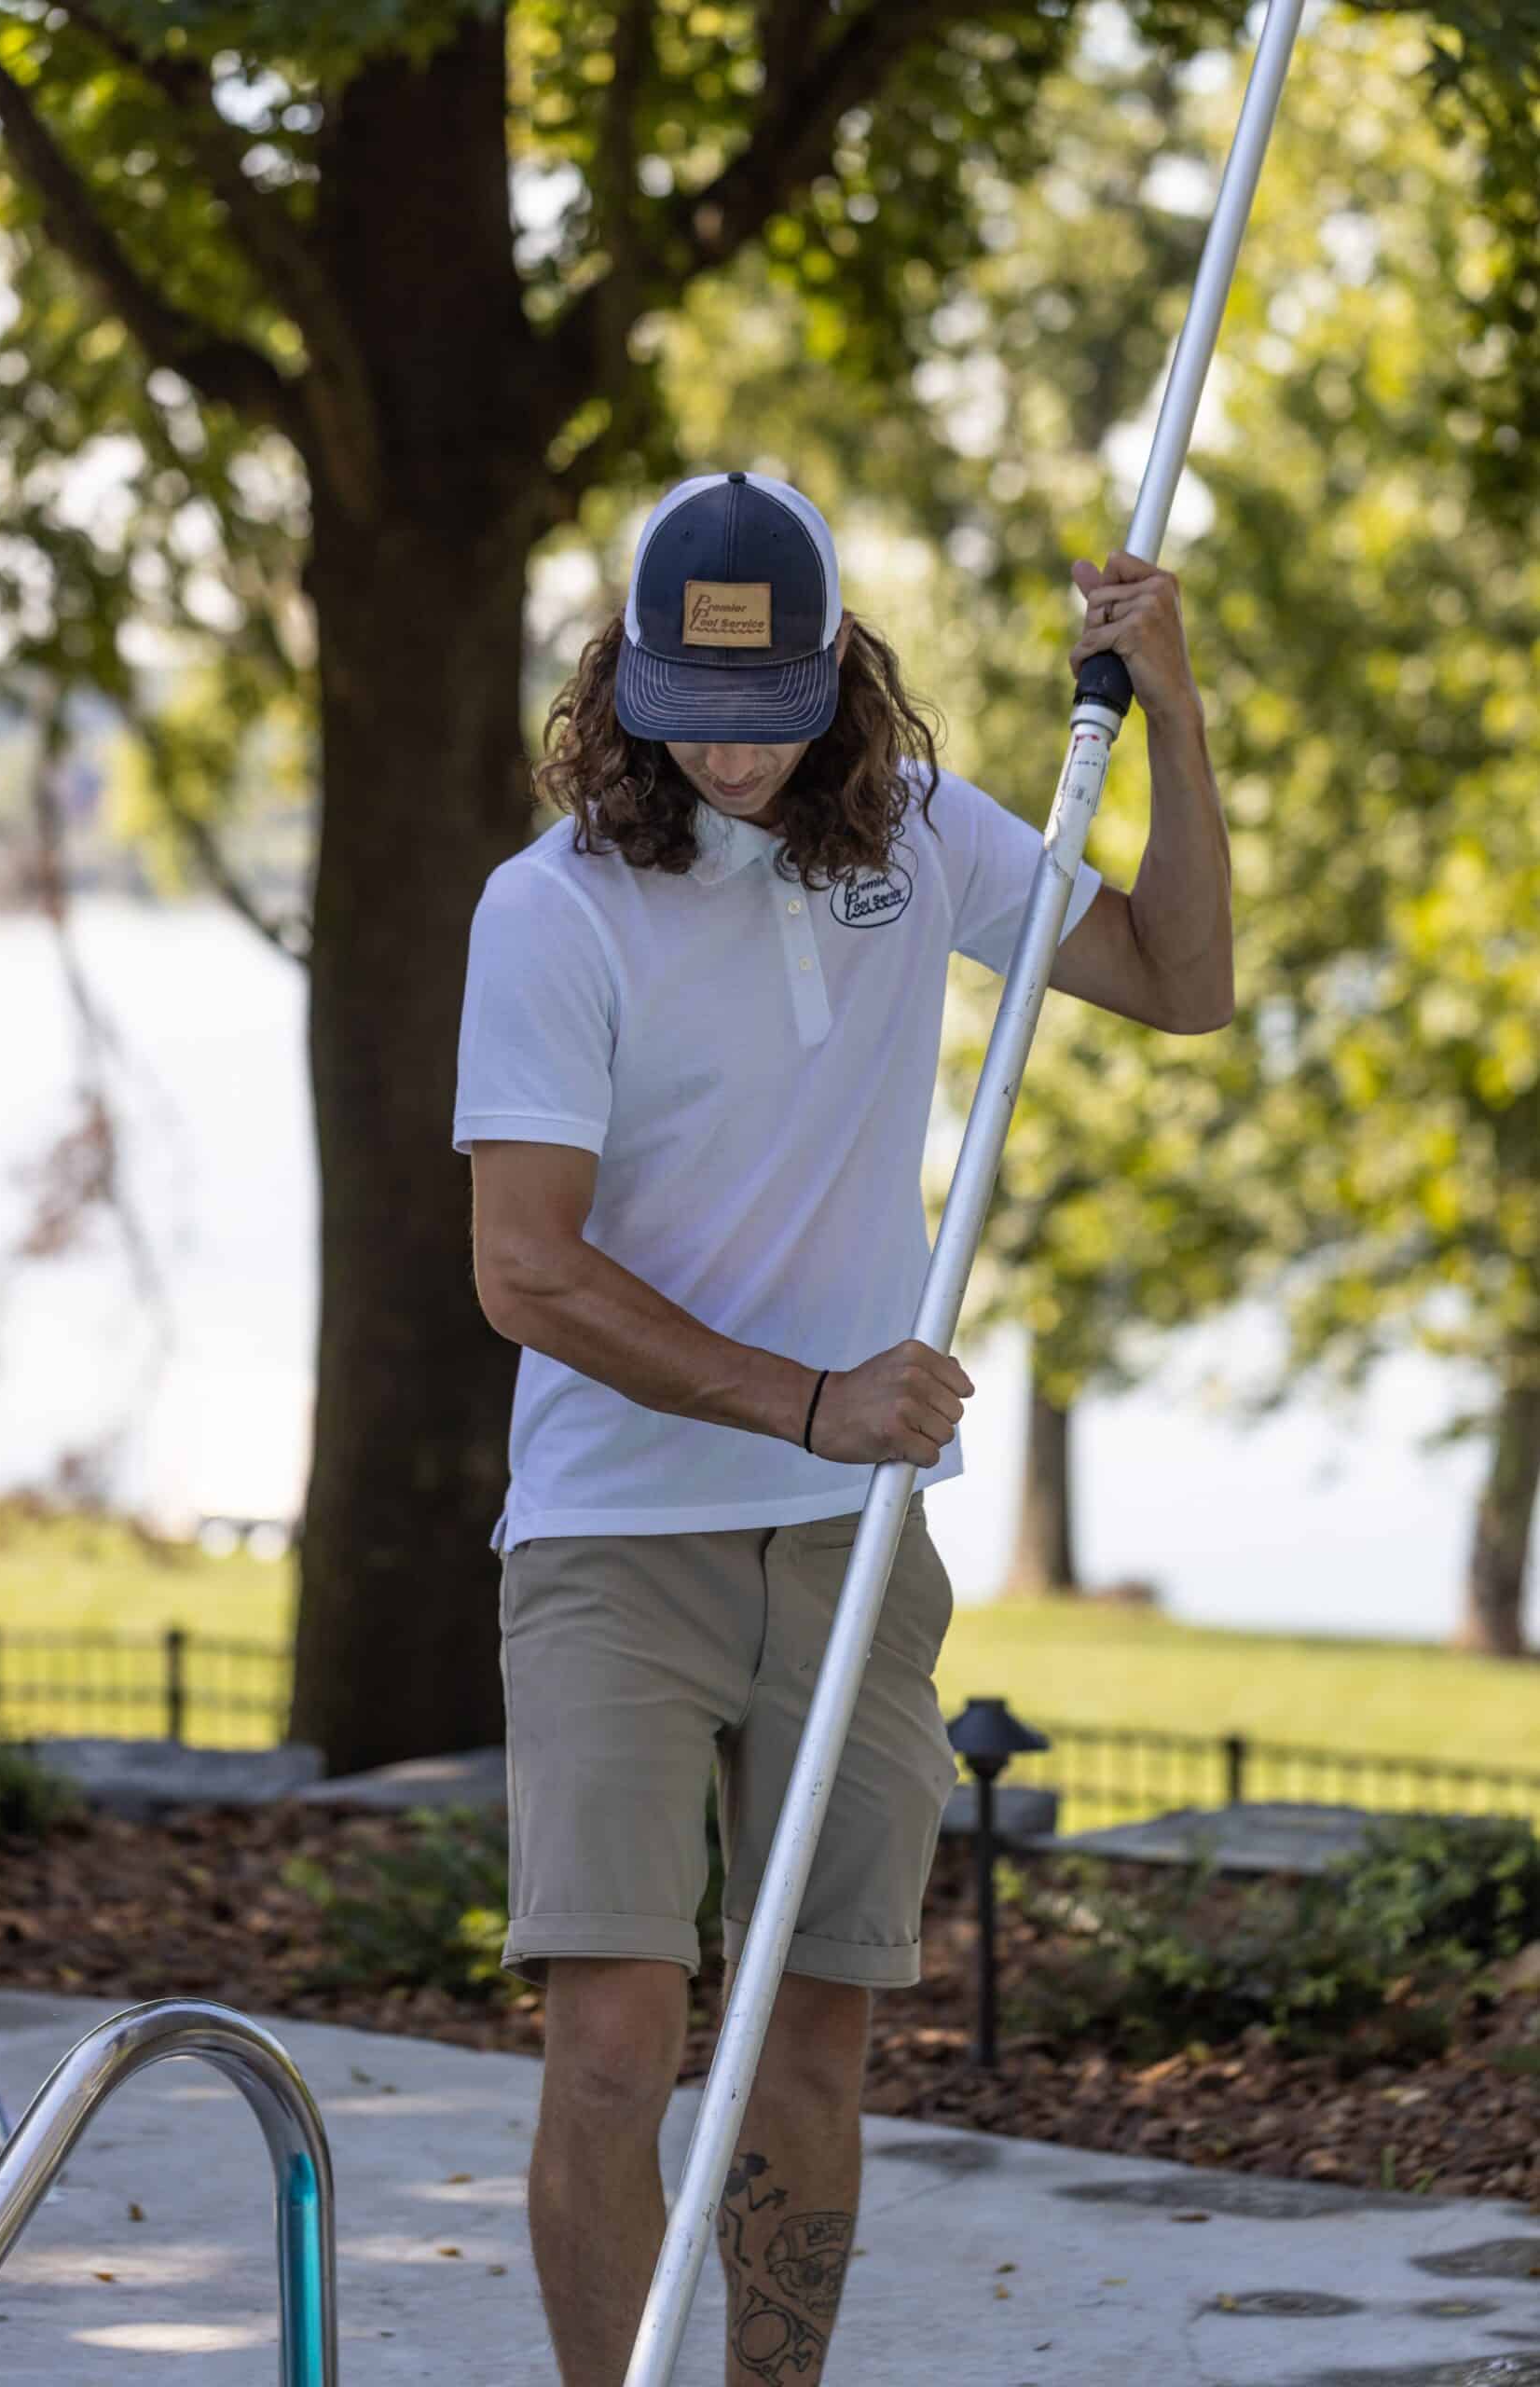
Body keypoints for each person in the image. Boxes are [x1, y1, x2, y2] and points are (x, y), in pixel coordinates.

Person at [451, 469, 1232, 2384]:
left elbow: (1181, 981)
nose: (729, 758)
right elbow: (522, 1273)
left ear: (838, 677)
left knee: (809, 2041)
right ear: (626, 687)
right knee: (618, 2039)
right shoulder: (549, 911)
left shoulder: (920, 840)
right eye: (691, 716)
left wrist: (1175, 711)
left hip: (852, 1545)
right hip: (612, 1540)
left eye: (770, 713)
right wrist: (809, 1396)